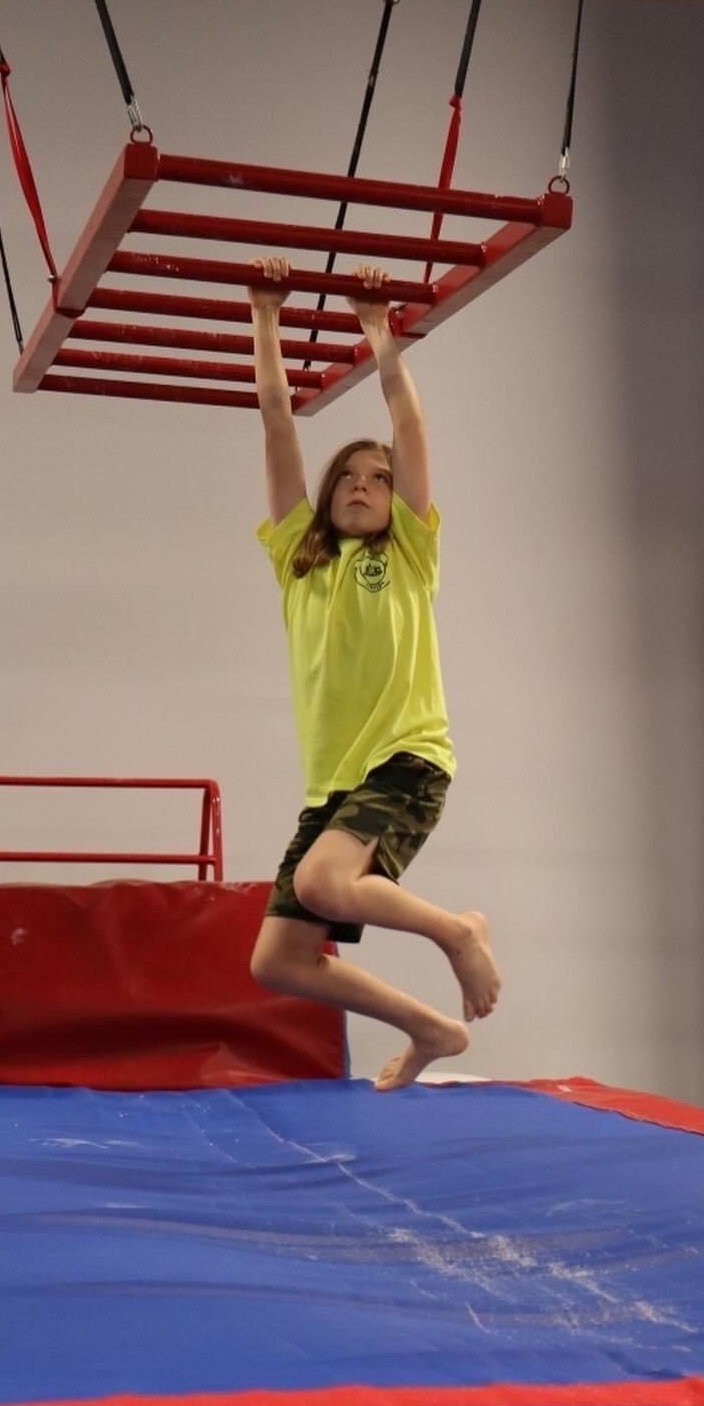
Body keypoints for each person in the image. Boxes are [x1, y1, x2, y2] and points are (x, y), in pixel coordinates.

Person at [246, 253, 501, 1092]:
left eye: (378, 479)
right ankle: (430, 1028)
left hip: (408, 755)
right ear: (324, 500)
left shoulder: (411, 554)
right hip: (336, 786)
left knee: (325, 880)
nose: (362, 485)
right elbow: (279, 422)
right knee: (277, 961)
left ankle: (457, 933)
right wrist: (267, 314)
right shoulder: (298, 558)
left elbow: (410, 429)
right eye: (347, 479)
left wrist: (378, 333)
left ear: (399, 501)